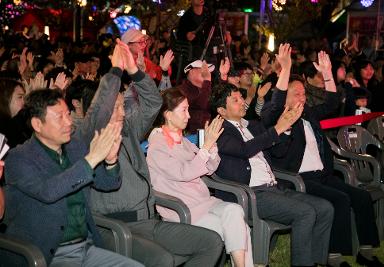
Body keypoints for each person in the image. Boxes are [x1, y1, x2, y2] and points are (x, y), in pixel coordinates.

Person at [2, 42, 143, 267]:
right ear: (37, 124)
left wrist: (110, 161)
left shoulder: (74, 146)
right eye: (60, 117)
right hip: (46, 254)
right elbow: (48, 191)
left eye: (68, 114)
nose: (69, 122)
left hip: (86, 246)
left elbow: (108, 184)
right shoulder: (19, 158)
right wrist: (91, 159)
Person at [89, 41, 224, 267]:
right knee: (163, 259)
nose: (122, 113)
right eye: (115, 108)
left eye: (123, 107)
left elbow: (153, 102)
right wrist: (114, 73)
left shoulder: (129, 131)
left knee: (212, 242)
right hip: (116, 227)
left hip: (149, 220)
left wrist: (135, 71)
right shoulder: (87, 140)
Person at [211, 44, 334, 267]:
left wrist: (285, 71)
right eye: (235, 100)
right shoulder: (220, 131)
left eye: (241, 98)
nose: (242, 103)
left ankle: (318, 262)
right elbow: (245, 150)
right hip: (250, 195)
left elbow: (275, 107)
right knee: (306, 213)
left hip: (273, 188)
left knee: (325, 208)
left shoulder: (249, 125)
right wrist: (277, 130)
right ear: (221, 110)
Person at [262, 51, 384, 267]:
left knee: (361, 197)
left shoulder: (307, 113)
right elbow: (274, 105)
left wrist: (328, 74)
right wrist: (286, 70)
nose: (303, 98)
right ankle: (334, 257)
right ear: (284, 97)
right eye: (297, 94)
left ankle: (366, 252)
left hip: (323, 176)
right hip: (299, 179)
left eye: (303, 94)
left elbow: (331, 104)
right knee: (339, 199)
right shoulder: (277, 118)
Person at [147, 88, 253, 267]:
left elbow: (210, 168)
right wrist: (206, 147)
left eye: (188, 109)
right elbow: (184, 173)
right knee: (235, 229)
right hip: (183, 210)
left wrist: (210, 148)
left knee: (235, 212)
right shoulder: (157, 146)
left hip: (204, 203)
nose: (188, 116)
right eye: (184, 110)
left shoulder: (183, 141)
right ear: (168, 115)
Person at [0, 78, 31, 148]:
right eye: (20, 97)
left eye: (24, 97)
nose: (24, 102)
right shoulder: (4, 128)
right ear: (6, 98)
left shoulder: (18, 121)